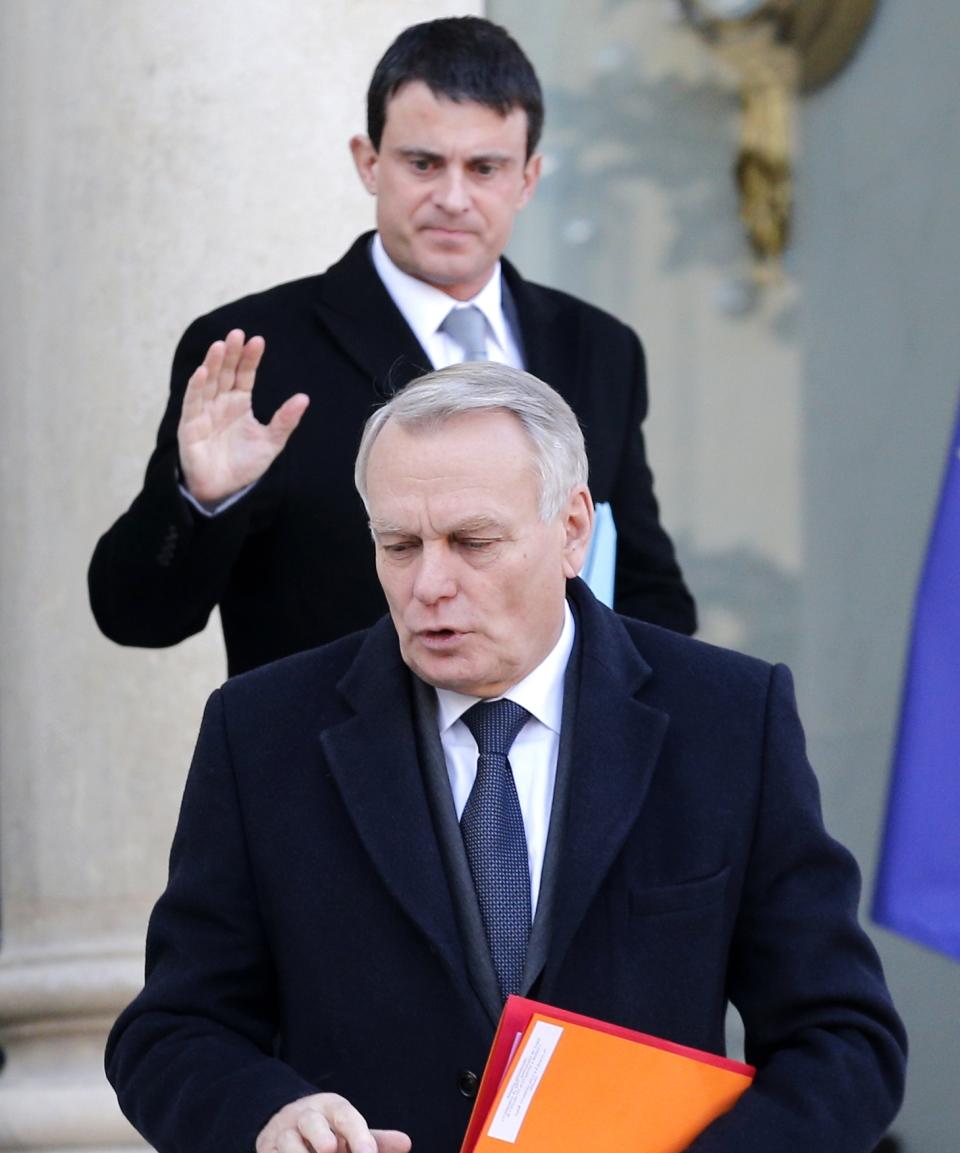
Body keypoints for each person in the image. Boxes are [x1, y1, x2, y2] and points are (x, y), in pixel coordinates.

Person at [106, 363, 905, 1153]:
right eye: (398, 545)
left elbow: (844, 1042)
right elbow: (172, 1029)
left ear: (573, 530)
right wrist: (264, 1116)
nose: (430, 582)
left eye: (472, 542)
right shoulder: (261, 731)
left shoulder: (726, 721)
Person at [87, 16, 695, 678]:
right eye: (423, 163)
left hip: (548, 768)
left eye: (485, 167)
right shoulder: (255, 351)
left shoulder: (599, 347)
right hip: (330, 768)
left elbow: (648, 593)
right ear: (369, 162)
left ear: (527, 178)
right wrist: (200, 502)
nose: (453, 198)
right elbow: (136, 616)